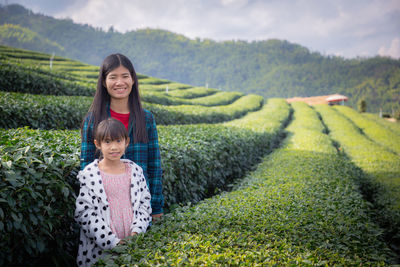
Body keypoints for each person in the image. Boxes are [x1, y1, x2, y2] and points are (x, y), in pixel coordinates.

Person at [80, 53, 164, 219]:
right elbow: (86, 167)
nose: (120, 82)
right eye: (113, 77)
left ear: (133, 79)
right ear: (104, 82)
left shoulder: (146, 118)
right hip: (104, 208)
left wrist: (156, 207)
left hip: (140, 207)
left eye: (125, 76)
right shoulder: (93, 119)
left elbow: (154, 166)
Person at [75, 118, 152, 266]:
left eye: (118, 141)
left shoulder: (135, 171)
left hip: (133, 244)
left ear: (126, 142)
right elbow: (84, 213)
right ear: (98, 144)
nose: (114, 147)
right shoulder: (90, 174)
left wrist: (136, 232)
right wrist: (112, 242)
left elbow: (144, 204)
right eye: (108, 142)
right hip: (101, 248)